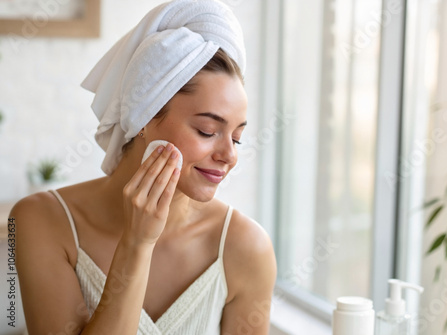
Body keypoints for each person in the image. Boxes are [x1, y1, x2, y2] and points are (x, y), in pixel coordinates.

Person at [10, 1, 277, 334]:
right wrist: (137, 244)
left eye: (236, 138)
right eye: (208, 131)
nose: (229, 155)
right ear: (145, 115)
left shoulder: (246, 247)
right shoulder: (42, 221)